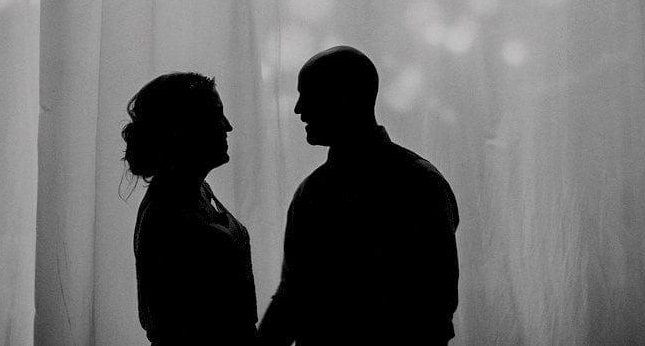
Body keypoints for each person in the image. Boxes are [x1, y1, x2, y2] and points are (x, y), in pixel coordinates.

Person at [257, 46, 460, 346]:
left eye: (309, 94)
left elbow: (293, 297)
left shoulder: (314, 192)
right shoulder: (419, 180)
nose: (299, 109)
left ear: (346, 97)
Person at [123, 72, 257, 345]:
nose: (228, 126)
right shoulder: (170, 215)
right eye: (216, 116)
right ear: (182, 129)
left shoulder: (194, 189)